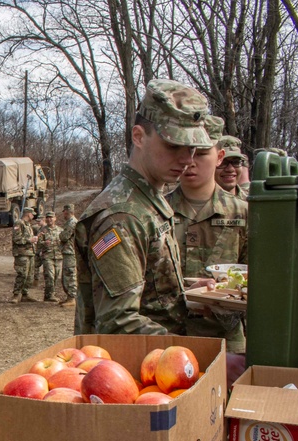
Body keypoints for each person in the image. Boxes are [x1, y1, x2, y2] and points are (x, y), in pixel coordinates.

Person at [78, 78, 213, 336]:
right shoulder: (122, 215)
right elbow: (118, 323)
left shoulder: (149, 198)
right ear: (139, 137)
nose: (187, 159)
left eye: (193, 147)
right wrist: (196, 355)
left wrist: (189, 292)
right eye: (173, 145)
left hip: (159, 365)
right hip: (136, 369)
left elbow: (148, 290)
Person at [167, 115, 248, 353]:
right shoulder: (157, 212)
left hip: (226, 342)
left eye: (201, 153)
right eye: (184, 152)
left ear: (219, 157)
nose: (190, 162)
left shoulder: (243, 212)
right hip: (170, 339)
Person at [11, 207, 39, 303]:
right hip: (22, 253)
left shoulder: (28, 225)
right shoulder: (19, 223)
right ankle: (16, 295)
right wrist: (29, 240)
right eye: (32, 214)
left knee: (30, 276)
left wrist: (34, 239)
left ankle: (25, 294)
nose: (33, 216)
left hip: (30, 253)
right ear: (28, 214)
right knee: (22, 274)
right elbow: (16, 238)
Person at [36, 211, 63, 302]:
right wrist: (44, 243)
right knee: (50, 276)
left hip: (58, 256)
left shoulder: (60, 230)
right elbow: (38, 243)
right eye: (47, 217)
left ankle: (49, 294)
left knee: (56, 276)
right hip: (47, 256)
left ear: (55, 218)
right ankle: (50, 295)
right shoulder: (42, 230)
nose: (49, 219)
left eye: (51, 217)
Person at [57, 204, 78, 307]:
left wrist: (60, 235)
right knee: (66, 275)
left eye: (64, 212)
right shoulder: (69, 222)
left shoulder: (72, 223)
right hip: (68, 251)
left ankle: (72, 298)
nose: (63, 214)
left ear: (67, 211)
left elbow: (64, 237)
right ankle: (69, 297)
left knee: (70, 274)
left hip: (70, 252)